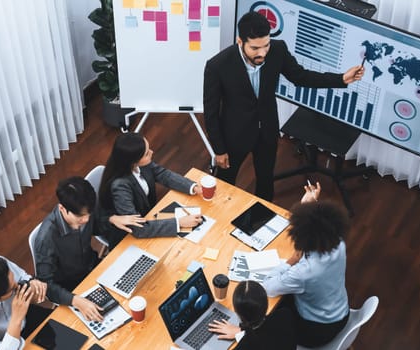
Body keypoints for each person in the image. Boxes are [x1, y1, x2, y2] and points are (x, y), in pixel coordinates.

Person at [203, 11, 365, 201]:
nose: (262, 52)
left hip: (267, 131)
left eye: (266, 45)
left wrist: (341, 79)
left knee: (265, 181)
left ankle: (262, 220)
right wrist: (219, 149)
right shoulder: (217, 66)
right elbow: (211, 113)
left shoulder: (278, 50)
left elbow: (301, 76)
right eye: (255, 48)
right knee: (225, 183)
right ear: (240, 41)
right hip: (234, 135)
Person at [33, 176, 142, 322]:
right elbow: (46, 285)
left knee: (133, 290)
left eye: (88, 215)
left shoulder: (85, 210)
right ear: (62, 209)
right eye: (80, 216)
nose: (85, 220)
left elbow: (95, 226)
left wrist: (111, 219)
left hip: (94, 267)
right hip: (71, 289)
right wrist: (76, 300)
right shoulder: (46, 239)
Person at [262, 183, 350, 347]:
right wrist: (308, 206)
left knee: (270, 318)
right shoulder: (338, 244)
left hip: (316, 330)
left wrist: (291, 261)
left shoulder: (304, 272)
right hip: (340, 312)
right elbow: (318, 225)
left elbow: (268, 287)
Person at [98, 132, 203, 239]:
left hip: (149, 218)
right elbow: (138, 229)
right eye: (147, 153)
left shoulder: (141, 164)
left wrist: (193, 187)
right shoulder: (120, 187)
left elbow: (163, 174)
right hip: (127, 236)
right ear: (133, 161)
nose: (152, 152)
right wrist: (179, 223)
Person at [208, 280, 296, 350]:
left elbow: (256, 343)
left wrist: (243, 335)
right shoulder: (285, 314)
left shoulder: (245, 346)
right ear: (266, 304)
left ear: (238, 314)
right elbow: (265, 338)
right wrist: (241, 333)